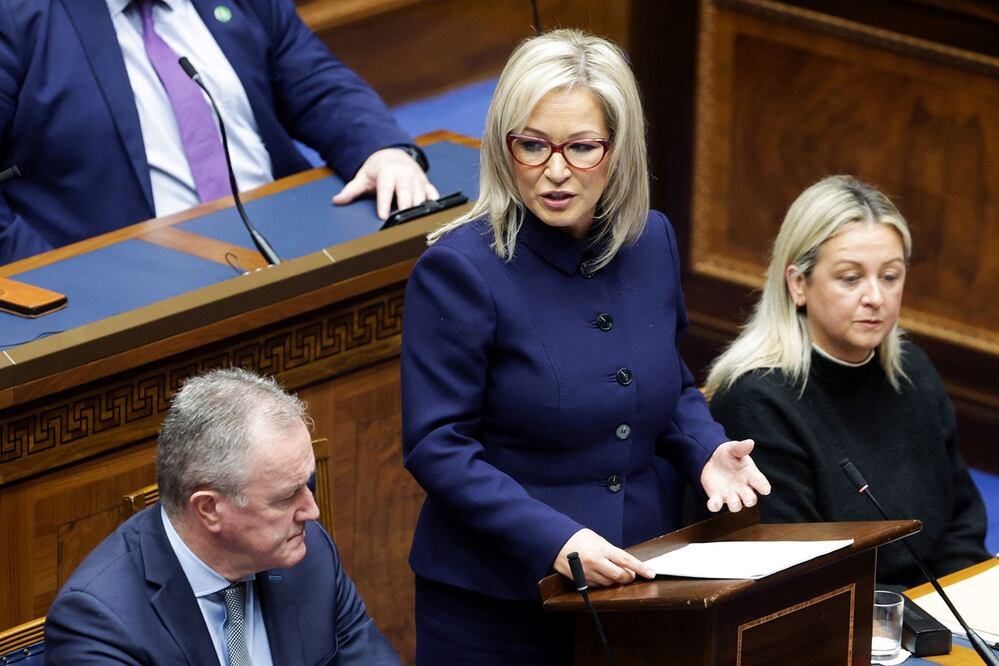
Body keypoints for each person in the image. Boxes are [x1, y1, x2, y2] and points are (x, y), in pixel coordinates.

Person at [400, 29, 771, 665]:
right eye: (533, 146)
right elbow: (438, 446)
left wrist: (705, 450)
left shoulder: (650, 240)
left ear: (617, 150)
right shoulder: (460, 270)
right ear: (504, 145)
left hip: (640, 578)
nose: (554, 170)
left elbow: (669, 381)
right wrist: (554, 538)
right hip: (501, 605)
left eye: (581, 148)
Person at [704, 175, 990, 590]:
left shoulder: (913, 370)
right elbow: (796, 573)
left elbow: (962, 519)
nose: (875, 297)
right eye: (850, 278)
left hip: (938, 610)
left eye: (890, 276)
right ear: (798, 284)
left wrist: (961, 601)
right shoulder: (757, 400)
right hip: (841, 623)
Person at [0, 0, 438, 264]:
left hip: (287, 246)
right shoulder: (17, 20)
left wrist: (382, 150)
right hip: (132, 292)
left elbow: (315, 81)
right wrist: (54, 278)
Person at [45, 367, 401, 664]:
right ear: (209, 509)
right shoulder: (101, 623)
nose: (312, 510)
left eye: (307, 484)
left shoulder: (308, 555)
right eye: (286, 496)